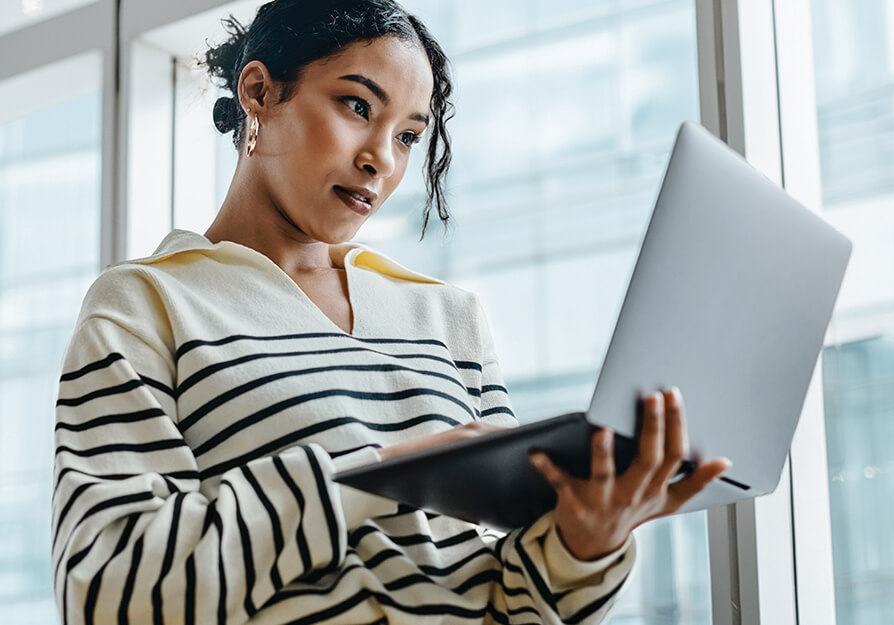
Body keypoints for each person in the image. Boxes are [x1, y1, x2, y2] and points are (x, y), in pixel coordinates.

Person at [51, 1, 731, 623]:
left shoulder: (450, 320)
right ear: (258, 92)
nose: (381, 159)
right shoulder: (144, 306)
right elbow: (107, 588)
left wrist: (585, 544)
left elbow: (513, 598)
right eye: (356, 106)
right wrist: (381, 472)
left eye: (408, 136)